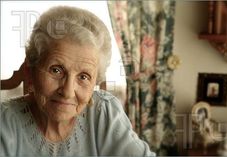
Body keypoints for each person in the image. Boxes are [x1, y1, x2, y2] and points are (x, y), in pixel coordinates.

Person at [0, 6, 156, 157]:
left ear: (95, 82)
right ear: (30, 71)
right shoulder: (4, 121)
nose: (67, 92)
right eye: (56, 70)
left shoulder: (104, 111)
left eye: (83, 77)